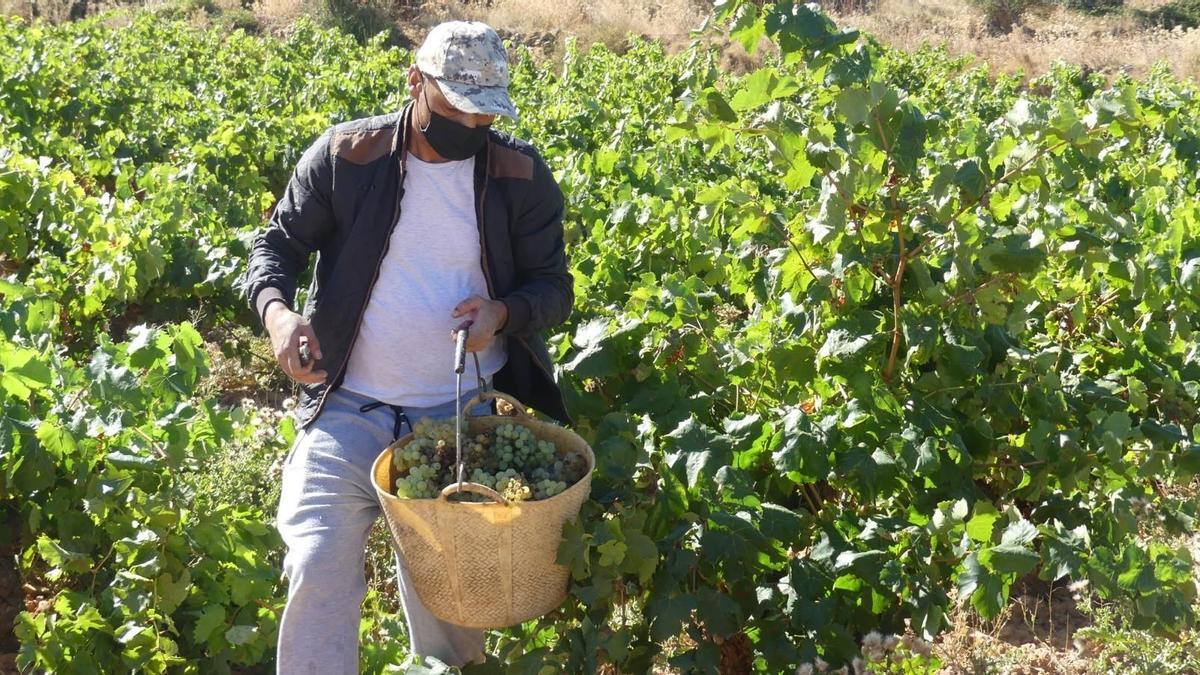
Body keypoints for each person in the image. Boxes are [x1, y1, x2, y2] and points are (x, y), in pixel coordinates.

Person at [240, 20, 573, 672]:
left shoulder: (519, 176)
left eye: (484, 117)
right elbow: (273, 247)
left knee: (452, 606)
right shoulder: (347, 159)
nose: (470, 130)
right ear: (414, 82)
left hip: (464, 414)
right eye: (455, 111)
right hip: (349, 408)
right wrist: (278, 316)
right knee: (315, 562)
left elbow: (555, 289)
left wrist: (503, 313)